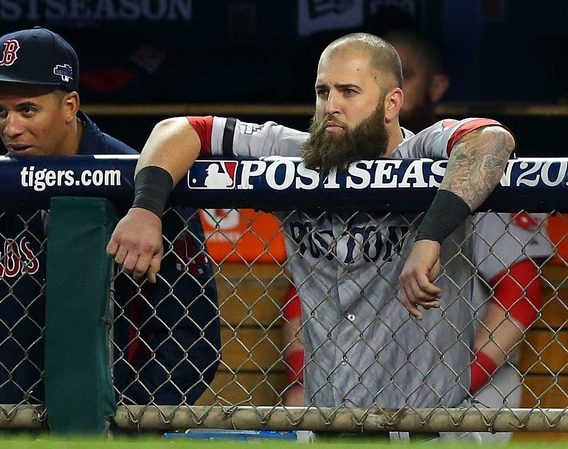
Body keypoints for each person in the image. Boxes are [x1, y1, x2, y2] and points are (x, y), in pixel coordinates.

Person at [107, 32, 516, 440]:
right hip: (327, 427)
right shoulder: (295, 154)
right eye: (323, 91)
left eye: (349, 92)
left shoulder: (422, 154)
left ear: (392, 102)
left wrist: (430, 236)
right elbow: (179, 128)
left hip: (430, 430)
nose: (331, 106)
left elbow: (491, 138)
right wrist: (145, 209)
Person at [0, 27, 221, 435]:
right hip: (13, 428)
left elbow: (194, 331)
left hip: (120, 423)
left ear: (70, 105)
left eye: (27, 110)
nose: (11, 128)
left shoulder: (143, 182)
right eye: (0, 111)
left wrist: (132, 422)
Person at [383, 29, 554, 443]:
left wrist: (454, 385)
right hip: (376, 381)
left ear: (437, 85)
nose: (395, 92)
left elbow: (520, 292)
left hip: (470, 386)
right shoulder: (347, 172)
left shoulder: (478, 168)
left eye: (405, 75)